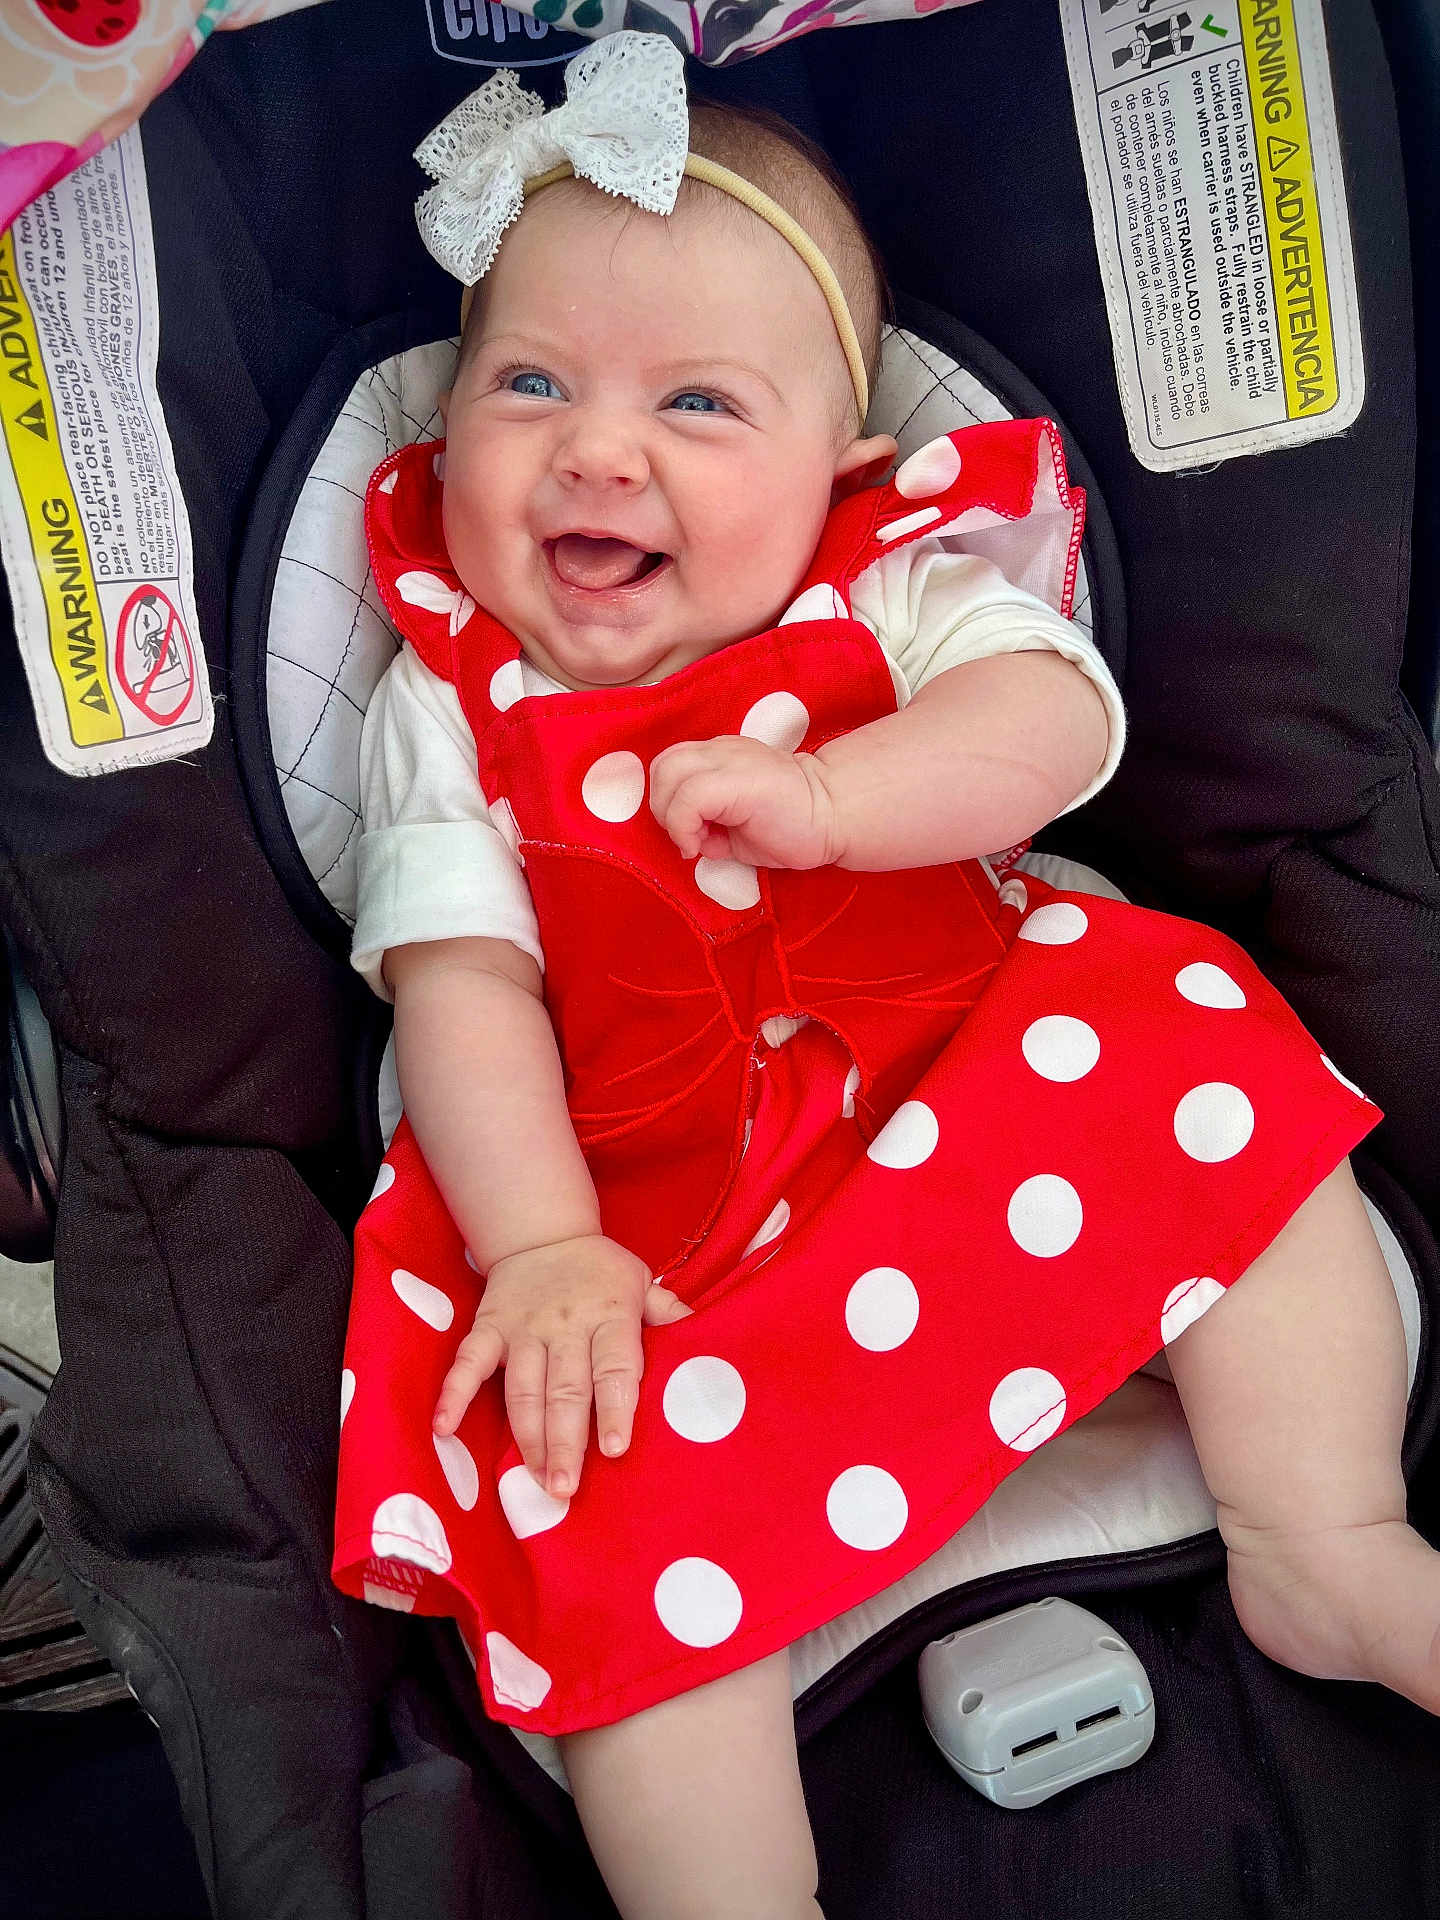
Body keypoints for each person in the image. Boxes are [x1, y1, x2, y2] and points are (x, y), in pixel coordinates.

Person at [333, 33, 1438, 1919]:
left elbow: (1048, 724)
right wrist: (541, 1247)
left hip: (967, 1076)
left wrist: (845, 796)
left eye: (696, 403)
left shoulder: (898, 565)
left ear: (840, 457)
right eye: (529, 385)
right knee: (567, 1460)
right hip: (645, 1205)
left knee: (1202, 1064)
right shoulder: (452, 703)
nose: (598, 447)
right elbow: (464, 988)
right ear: (449, 437)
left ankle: (1327, 1534)